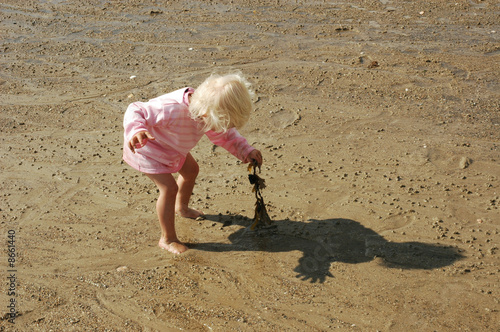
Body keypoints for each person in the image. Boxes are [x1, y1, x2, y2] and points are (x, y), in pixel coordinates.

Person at [123, 73, 263, 254]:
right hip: (147, 148)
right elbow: (135, 109)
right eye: (221, 125)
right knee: (169, 188)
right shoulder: (171, 109)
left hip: (172, 148)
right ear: (206, 114)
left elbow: (227, 136)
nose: (223, 130)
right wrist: (137, 130)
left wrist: (246, 150)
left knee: (191, 171)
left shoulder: (208, 109)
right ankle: (168, 239)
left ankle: (181, 208)